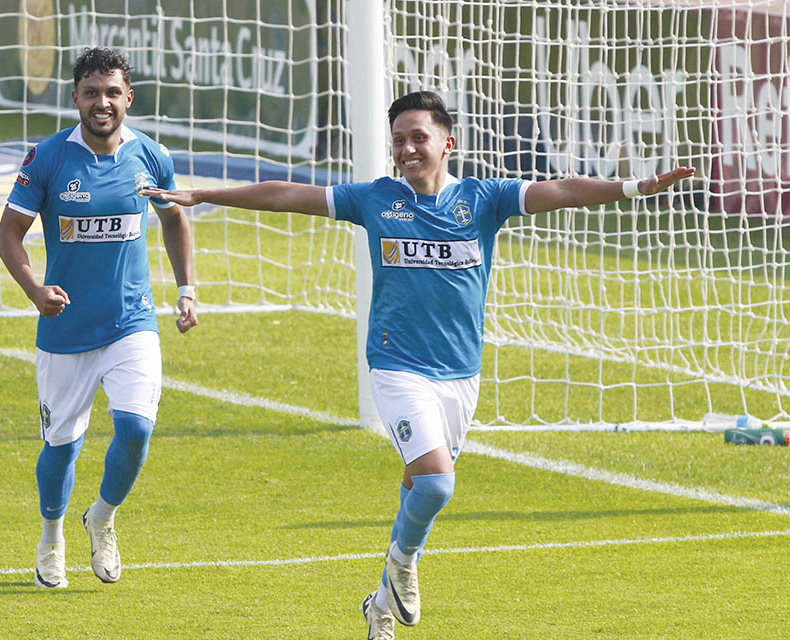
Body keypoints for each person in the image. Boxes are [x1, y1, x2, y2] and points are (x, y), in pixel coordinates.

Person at [142, 91, 693, 638]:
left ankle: (380, 602)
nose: (407, 149)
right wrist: (201, 194)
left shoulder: (483, 198)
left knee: (419, 485)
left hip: (461, 373)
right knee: (435, 486)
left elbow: (563, 188)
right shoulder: (375, 200)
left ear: (447, 143)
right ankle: (404, 565)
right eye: (399, 140)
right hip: (396, 365)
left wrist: (634, 186)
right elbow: (289, 192)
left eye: (418, 137)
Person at [0, 47, 198, 589]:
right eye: (91, 92)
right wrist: (35, 289)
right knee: (62, 446)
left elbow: (174, 219)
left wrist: (186, 290)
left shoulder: (151, 155)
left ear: (128, 98)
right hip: (64, 331)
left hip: (131, 322)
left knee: (134, 428)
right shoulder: (48, 159)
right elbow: (8, 234)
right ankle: (51, 537)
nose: (102, 103)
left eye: (112, 93)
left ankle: (103, 518)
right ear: (75, 98)